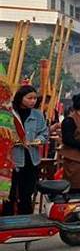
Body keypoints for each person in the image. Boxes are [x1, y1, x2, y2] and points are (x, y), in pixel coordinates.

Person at [3, 85, 48, 215]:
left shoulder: (38, 114)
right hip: (12, 158)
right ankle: (7, 221)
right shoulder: (9, 112)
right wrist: (13, 141)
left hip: (31, 158)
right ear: (20, 98)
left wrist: (38, 140)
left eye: (35, 98)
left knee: (27, 193)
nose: (33, 101)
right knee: (9, 193)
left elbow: (44, 133)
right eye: (29, 98)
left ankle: (26, 221)